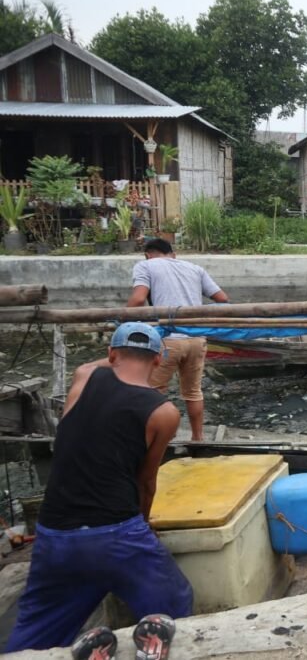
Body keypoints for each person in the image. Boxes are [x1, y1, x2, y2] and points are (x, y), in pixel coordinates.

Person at [5, 323, 193, 652]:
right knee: (174, 603)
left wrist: (115, 357)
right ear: (159, 359)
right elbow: (146, 481)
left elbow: (95, 366)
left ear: (111, 354)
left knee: (37, 629)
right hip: (118, 535)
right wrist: (144, 525)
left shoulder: (83, 378)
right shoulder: (163, 413)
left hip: (54, 534)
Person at [127, 238, 229, 441]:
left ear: (148, 254)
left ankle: (158, 439)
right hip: (196, 339)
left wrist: (123, 319)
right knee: (193, 392)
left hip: (168, 339)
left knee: (154, 391)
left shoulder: (145, 265)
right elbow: (222, 299)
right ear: (173, 255)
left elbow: (138, 299)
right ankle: (198, 438)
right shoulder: (194, 268)